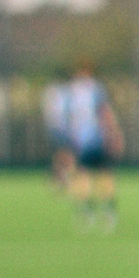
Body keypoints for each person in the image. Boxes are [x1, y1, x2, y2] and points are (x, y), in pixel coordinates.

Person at [58, 61, 121, 231]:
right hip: (96, 139)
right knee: (102, 173)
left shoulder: (70, 92)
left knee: (83, 174)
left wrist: (66, 143)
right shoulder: (95, 90)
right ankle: (107, 209)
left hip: (80, 140)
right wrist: (114, 134)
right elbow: (105, 113)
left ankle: (86, 210)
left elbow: (64, 120)